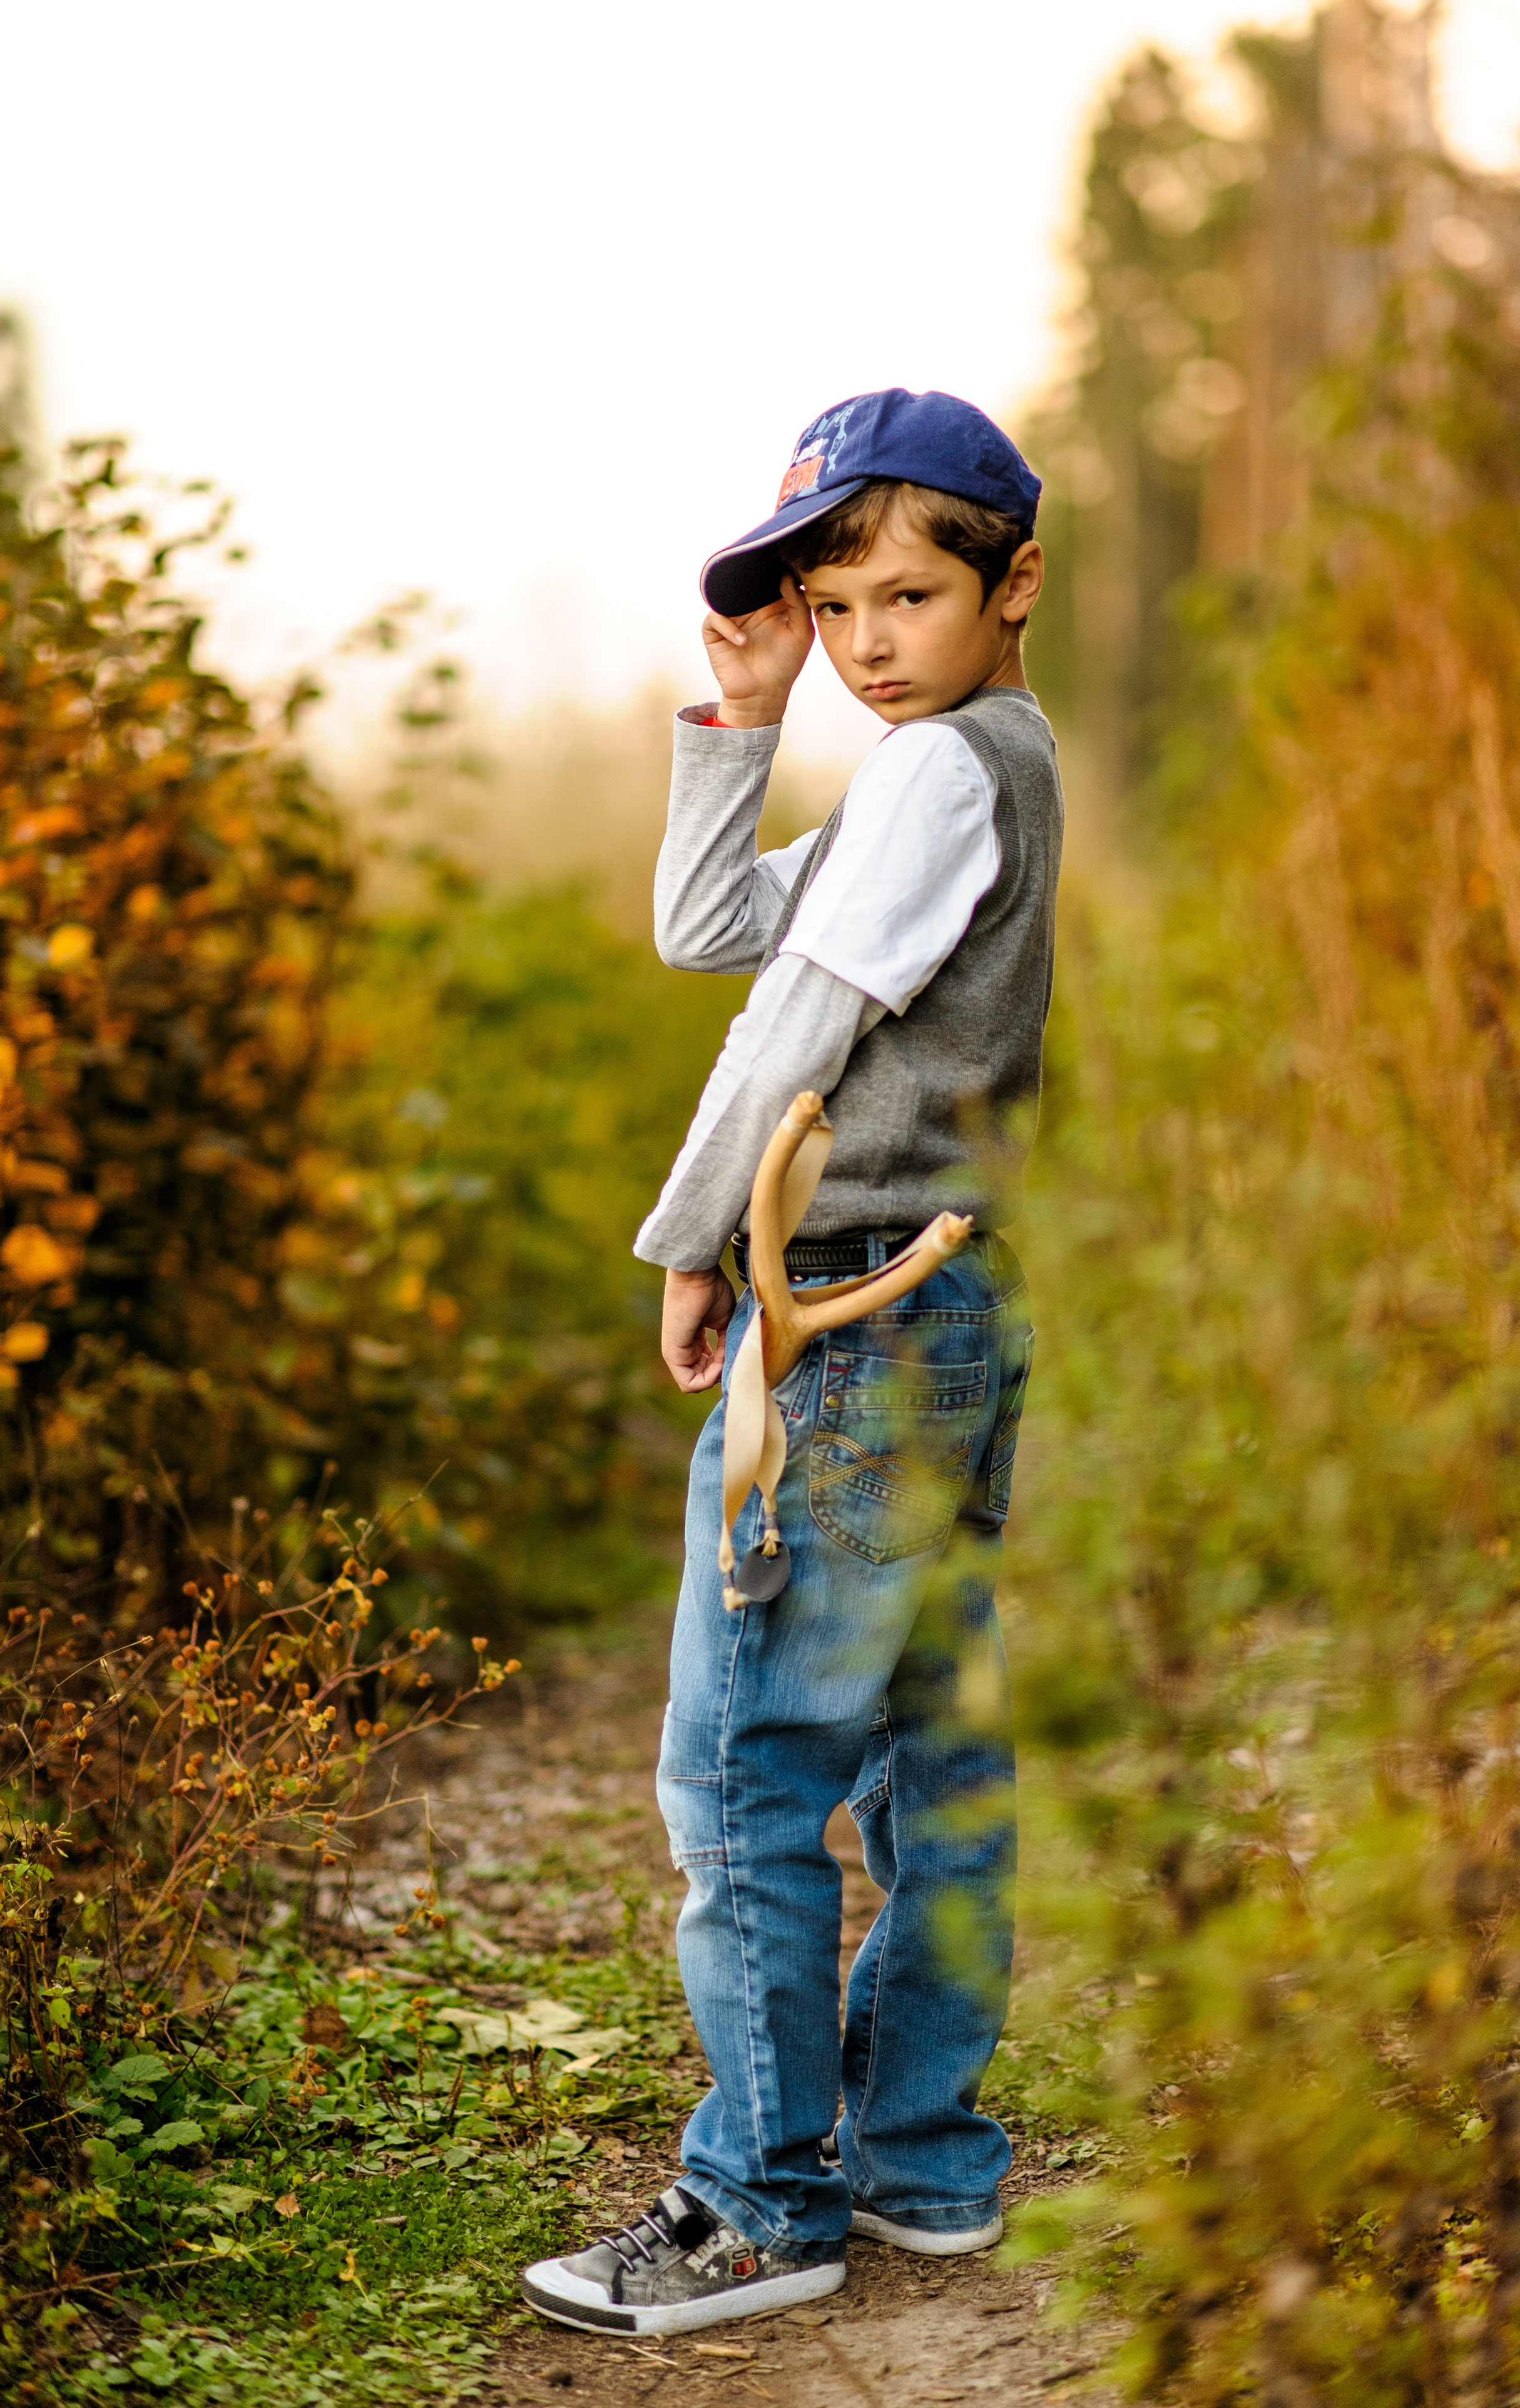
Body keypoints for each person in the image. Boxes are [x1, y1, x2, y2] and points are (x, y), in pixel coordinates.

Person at [523, 387, 1063, 2338]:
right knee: (936, 1748)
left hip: (840, 1306)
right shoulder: (975, 760)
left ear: (1015, 583)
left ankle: (759, 2202)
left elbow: (787, 1043)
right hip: (958, 1300)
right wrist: (743, 722)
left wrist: (692, 1250)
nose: (867, 641)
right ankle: (923, 2165)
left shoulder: (935, 776)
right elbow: (717, 933)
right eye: (833, 608)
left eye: (908, 594)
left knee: (745, 1768)